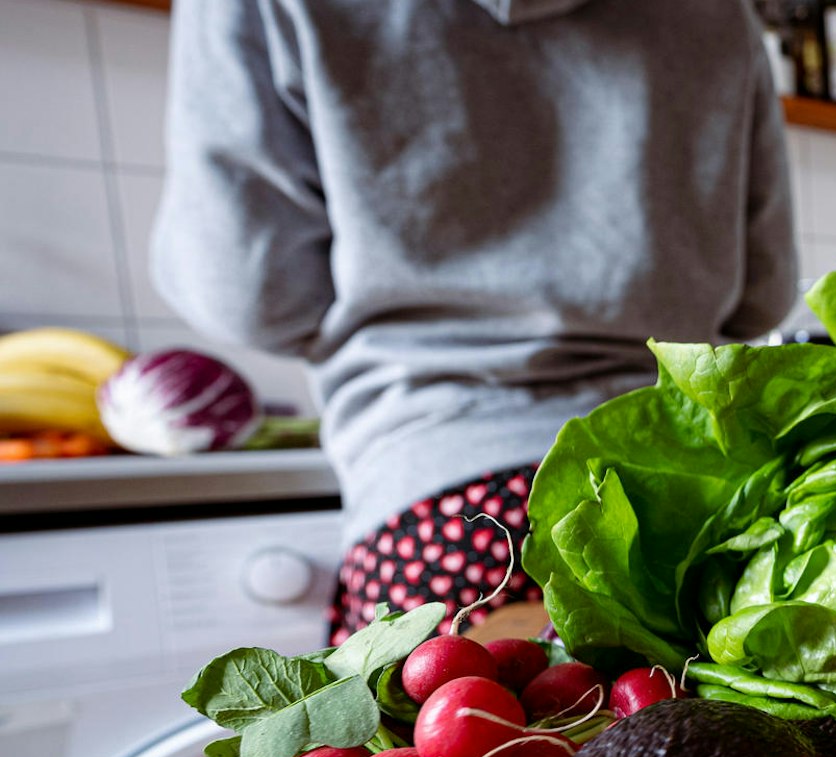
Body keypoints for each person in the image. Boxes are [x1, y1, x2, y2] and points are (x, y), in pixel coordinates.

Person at [151, 0, 799, 643]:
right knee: (688, 748)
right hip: (677, 518)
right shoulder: (716, 14)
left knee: (446, 744)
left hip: (447, 515)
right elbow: (762, 296)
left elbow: (252, 294)